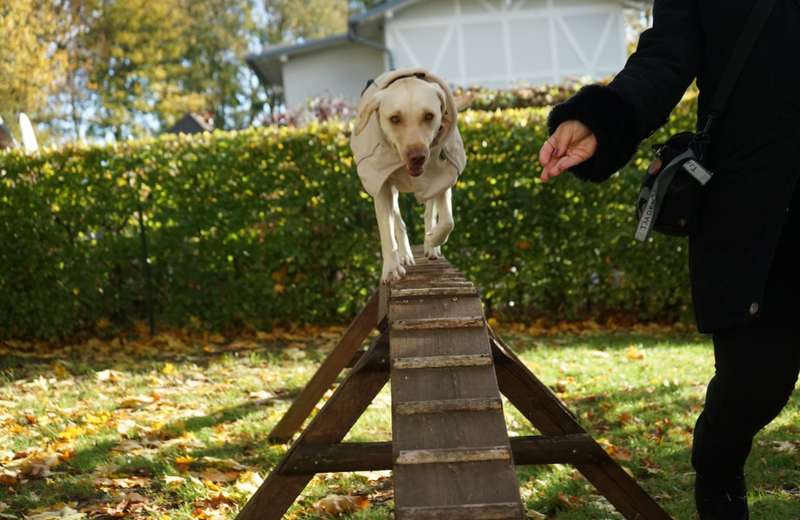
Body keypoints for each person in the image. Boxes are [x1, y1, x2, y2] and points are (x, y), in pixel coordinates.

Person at [537, 2, 799, 519]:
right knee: (755, 385)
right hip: (758, 214)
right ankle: (718, 463)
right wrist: (600, 119)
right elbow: (665, 59)